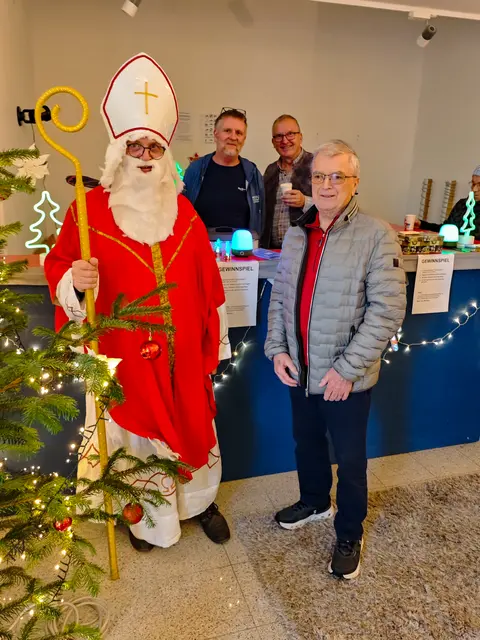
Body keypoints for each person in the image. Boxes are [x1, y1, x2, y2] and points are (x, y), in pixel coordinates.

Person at [44, 53, 231, 552]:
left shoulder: (185, 212)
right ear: (118, 153)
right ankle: (144, 520)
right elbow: (58, 265)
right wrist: (74, 279)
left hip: (183, 358)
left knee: (195, 426)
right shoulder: (87, 212)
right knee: (135, 442)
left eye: (155, 146)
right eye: (135, 145)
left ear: (166, 153)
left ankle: (200, 504)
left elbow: (210, 284)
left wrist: (214, 342)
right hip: (124, 355)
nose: (146, 154)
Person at [265, 140, 406, 580]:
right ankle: (314, 502)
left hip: (346, 375)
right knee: (306, 442)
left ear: (354, 182)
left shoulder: (376, 235)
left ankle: (349, 533)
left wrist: (346, 371)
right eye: (319, 176)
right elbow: (280, 297)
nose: (326, 185)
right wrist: (277, 349)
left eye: (337, 176)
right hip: (300, 368)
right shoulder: (297, 233)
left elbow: (387, 311)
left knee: (349, 459)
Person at [183, 108, 265, 237]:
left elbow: (260, 218)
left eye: (239, 133)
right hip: (201, 246)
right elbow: (183, 213)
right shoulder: (196, 170)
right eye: (227, 131)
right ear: (216, 134)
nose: (233, 137)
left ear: (244, 139)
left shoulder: (252, 174)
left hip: (241, 247)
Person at [262, 115, 314, 248]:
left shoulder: (316, 165)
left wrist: (305, 202)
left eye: (290, 134)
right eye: (279, 136)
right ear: (273, 142)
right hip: (272, 252)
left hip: (305, 249)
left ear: (300, 137)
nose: (284, 141)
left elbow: (334, 206)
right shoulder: (270, 170)